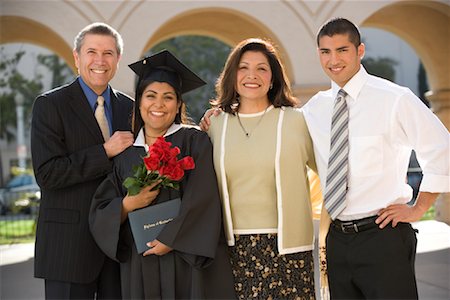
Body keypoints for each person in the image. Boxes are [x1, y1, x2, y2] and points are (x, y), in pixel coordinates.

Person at [302, 17, 450, 299]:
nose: (333, 60)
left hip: (383, 236)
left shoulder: (394, 99)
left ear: (360, 51)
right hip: (336, 240)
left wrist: (418, 208)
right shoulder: (314, 109)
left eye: (342, 50)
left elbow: (442, 149)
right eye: (325, 52)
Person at [89, 50, 236, 299]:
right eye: (151, 96)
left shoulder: (193, 141)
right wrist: (126, 205)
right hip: (140, 263)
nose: (158, 104)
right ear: (139, 100)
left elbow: (204, 197)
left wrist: (172, 238)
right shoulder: (125, 154)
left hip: (184, 259)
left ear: (178, 104)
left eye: (168, 97)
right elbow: (100, 210)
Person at [202, 38, 317, 299]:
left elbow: (328, 171)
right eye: (243, 68)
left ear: (273, 77)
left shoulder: (296, 121)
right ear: (232, 76)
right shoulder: (216, 126)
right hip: (233, 249)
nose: (252, 75)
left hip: (288, 249)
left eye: (262, 68)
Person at [31, 22, 134, 299]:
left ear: (118, 60)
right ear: (76, 57)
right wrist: (105, 151)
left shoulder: (130, 108)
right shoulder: (50, 105)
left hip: (118, 248)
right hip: (67, 249)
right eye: (92, 52)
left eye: (108, 53)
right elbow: (48, 174)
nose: (100, 61)